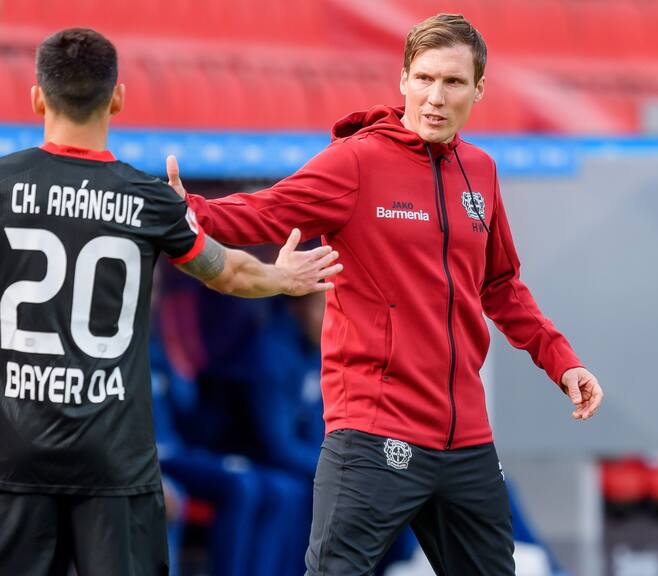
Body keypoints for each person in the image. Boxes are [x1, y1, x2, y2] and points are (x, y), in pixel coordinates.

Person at [171, 13, 603, 575]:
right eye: (423, 78)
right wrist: (188, 212)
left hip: (465, 440)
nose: (435, 96)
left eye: (452, 82)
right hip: (375, 434)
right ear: (402, 80)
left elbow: (501, 286)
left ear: (478, 90)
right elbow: (268, 209)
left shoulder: (482, 171)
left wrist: (561, 361)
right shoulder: (358, 160)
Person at [0, 28, 341, 576]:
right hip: (113, 459)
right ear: (117, 98)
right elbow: (229, 272)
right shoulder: (148, 199)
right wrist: (283, 277)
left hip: (13, 451)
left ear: (37, 96)